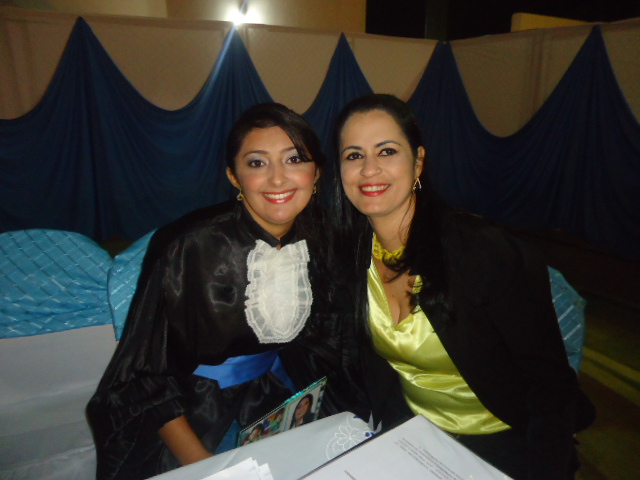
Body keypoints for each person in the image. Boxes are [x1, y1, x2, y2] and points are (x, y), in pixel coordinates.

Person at [87, 102, 366, 480]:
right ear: (234, 176)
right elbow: (144, 374)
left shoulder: (324, 239)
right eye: (257, 163)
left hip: (283, 394)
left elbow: (335, 343)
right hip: (192, 408)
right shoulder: (189, 246)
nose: (278, 179)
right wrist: (203, 463)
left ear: (316, 172)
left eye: (294, 159)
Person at [330, 93, 595, 479]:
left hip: (504, 441)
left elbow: (550, 386)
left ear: (418, 160)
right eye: (354, 155)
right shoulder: (351, 256)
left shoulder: (483, 252)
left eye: (387, 151)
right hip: (411, 435)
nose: (369, 169)